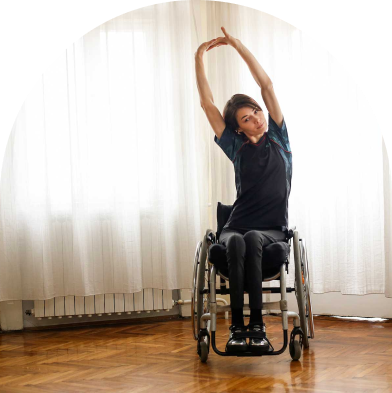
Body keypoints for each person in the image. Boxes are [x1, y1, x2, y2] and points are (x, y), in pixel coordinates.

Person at [195, 27, 292, 354]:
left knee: (251, 238)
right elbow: (208, 105)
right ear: (238, 127)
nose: (256, 120)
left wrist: (237, 44)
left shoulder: (279, 138)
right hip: (236, 226)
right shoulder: (236, 147)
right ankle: (237, 330)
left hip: (272, 232)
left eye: (256, 113)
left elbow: (265, 85)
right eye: (247, 119)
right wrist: (199, 58)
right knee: (238, 238)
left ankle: (258, 329)